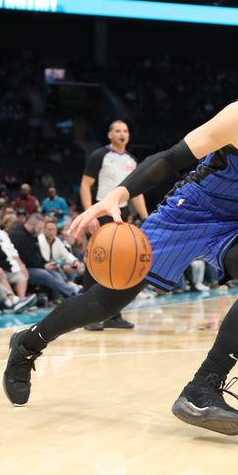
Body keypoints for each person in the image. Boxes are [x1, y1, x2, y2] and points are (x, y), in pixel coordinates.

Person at [2, 32, 238, 437]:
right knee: (107, 300)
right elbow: (172, 157)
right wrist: (118, 196)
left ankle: (202, 388)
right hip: (191, 213)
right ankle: (29, 342)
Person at [81, 120, 149, 330]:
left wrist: (146, 217)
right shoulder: (100, 156)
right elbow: (85, 185)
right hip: (101, 213)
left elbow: (135, 192)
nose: (122, 134)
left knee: (121, 264)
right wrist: (89, 214)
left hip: (123, 215)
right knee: (96, 263)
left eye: (126, 131)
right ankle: (87, 316)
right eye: (118, 131)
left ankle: (113, 314)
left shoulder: (131, 160)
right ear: (110, 135)